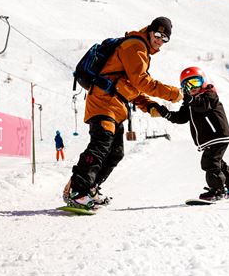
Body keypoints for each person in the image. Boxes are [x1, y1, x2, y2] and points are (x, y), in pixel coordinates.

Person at [64, 17, 183, 209]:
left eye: (165, 38)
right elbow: (142, 82)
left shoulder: (142, 52)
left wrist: (150, 106)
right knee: (100, 145)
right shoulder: (135, 46)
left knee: (115, 153)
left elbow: (129, 88)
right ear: (150, 31)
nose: (160, 40)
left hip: (115, 107)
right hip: (103, 103)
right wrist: (173, 94)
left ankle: (91, 188)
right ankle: (78, 191)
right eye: (158, 35)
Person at [152, 66, 229, 201]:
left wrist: (189, 99)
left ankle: (218, 191)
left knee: (209, 163)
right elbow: (181, 117)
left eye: (195, 82)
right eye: (187, 85)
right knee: (217, 163)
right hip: (209, 138)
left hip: (217, 135)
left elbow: (204, 105)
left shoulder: (209, 94)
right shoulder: (190, 102)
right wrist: (165, 113)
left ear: (203, 82)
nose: (192, 87)